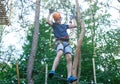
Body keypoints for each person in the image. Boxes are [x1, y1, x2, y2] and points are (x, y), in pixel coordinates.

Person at [46, 10, 77, 83]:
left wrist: (73, 18)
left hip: (66, 43)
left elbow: (75, 25)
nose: (58, 21)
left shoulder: (64, 26)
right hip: (59, 42)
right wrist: (49, 13)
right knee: (59, 53)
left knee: (69, 58)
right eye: (56, 20)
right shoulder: (54, 25)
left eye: (59, 19)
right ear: (55, 20)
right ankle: (53, 70)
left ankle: (69, 77)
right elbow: (47, 21)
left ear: (61, 19)